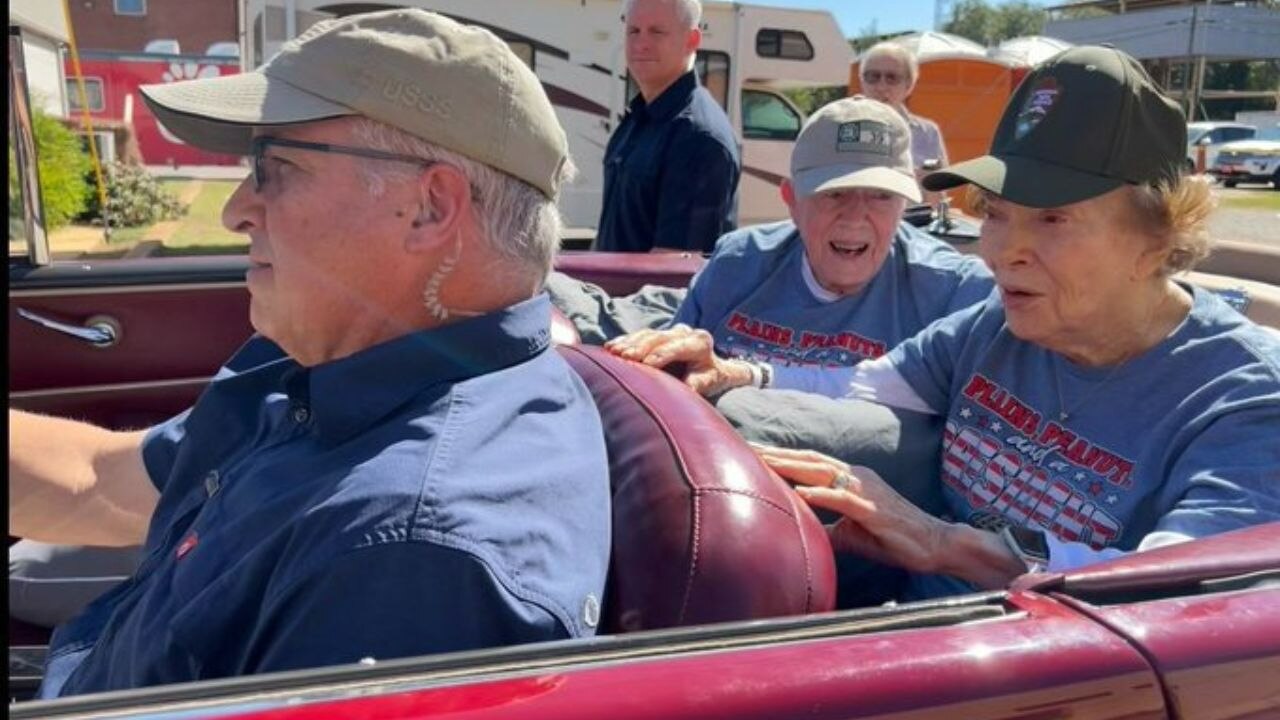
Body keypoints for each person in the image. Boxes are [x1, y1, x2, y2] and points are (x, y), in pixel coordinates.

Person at [9, 10, 611, 698]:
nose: (237, 208)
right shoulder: (335, 358)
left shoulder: (406, 557)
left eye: (276, 169)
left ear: (429, 209)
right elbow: (103, 481)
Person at [753, 45, 1280, 600]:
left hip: (1058, 680)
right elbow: (857, 386)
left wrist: (943, 544)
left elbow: (1189, 591)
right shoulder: (998, 324)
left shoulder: (1244, 400)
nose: (1003, 251)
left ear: (1158, 238)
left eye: (1052, 218)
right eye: (997, 213)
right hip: (907, 640)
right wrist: (736, 375)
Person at [605, 96, 993, 397]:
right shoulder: (738, 263)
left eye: (880, 195)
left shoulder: (954, 292)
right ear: (791, 200)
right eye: (834, 193)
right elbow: (671, 370)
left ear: (905, 204)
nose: (856, 216)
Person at [595, 0, 741, 253]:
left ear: (692, 40)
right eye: (633, 31)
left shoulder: (698, 139)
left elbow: (672, 274)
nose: (641, 43)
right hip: (606, 292)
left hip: (638, 294)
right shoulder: (636, 120)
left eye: (656, 31)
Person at [859, 42, 949, 203]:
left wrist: (928, 183)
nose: (881, 86)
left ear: (909, 85)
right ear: (862, 81)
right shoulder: (841, 127)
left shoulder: (927, 132)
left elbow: (939, 201)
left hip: (912, 223)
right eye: (873, 77)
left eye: (892, 78)